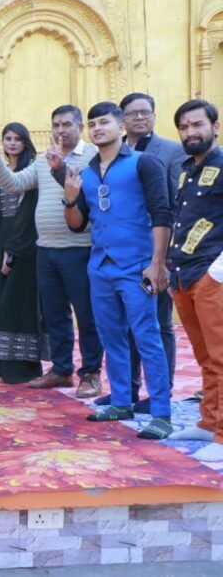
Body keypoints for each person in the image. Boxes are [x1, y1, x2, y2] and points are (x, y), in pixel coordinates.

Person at [61, 101, 172, 439]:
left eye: (104, 122)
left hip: (138, 267)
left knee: (147, 336)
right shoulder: (87, 172)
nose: (97, 128)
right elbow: (76, 225)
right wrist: (70, 198)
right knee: (111, 336)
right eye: (92, 123)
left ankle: (161, 412)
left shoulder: (144, 163)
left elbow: (161, 214)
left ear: (121, 125)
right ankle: (122, 401)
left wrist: (157, 264)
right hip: (101, 267)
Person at [0, 105, 102, 397]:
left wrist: (60, 168)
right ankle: (62, 369)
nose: (60, 130)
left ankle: (90, 374)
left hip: (80, 248)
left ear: (80, 127)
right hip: (46, 249)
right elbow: (14, 185)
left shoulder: (93, 156)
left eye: (66, 124)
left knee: (86, 315)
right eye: (56, 125)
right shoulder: (43, 160)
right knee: (54, 315)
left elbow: (91, 197)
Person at [117, 92, 187, 412]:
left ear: (154, 116)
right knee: (124, 324)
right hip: (121, 252)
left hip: (156, 251)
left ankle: (161, 392)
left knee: (158, 324)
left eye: (146, 112)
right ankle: (127, 390)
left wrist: (167, 252)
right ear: (122, 120)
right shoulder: (113, 152)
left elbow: (177, 203)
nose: (140, 118)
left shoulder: (171, 151)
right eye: (133, 113)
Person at [167, 99, 223, 460]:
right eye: (184, 127)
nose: (190, 132)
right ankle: (209, 421)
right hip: (184, 272)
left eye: (197, 124)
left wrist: (217, 269)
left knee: (221, 356)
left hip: (211, 273)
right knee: (205, 356)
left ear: (214, 127)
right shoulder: (186, 169)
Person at [0, 124, 43, 384]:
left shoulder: (31, 171)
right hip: (5, 242)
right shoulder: (0, 172)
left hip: (24, 245)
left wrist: (13, 251)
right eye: (7, 138)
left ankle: (23, 370)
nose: (12, 143)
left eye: (17, 138)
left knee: (18, 305)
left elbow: (26, 215)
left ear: (25, 142)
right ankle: (5, 366)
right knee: (4, 305)